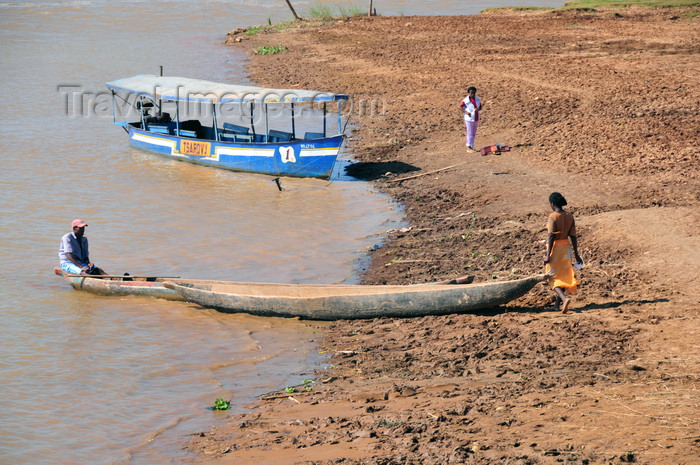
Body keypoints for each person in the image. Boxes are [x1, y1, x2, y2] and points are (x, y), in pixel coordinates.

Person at [543, 192, 582, 314]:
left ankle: (564, 299)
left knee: (552, 276)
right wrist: (576, 253)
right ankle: (557, 305)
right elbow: (573, 236)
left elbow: (550, 236)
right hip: (567, 248)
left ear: (552, 204)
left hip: (556, 249)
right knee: (564, 275)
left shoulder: (553, 216)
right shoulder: (569, 216)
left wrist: (548, 255)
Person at [459, 86, 482, 152]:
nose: (472, 95)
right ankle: (469, 147)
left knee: (474, 133)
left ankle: (471, 146)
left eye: (474, 93)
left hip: (476, 117)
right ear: (468, 93)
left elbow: (480, 107)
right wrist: (466, 112)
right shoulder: (466, 100)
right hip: (469, 118)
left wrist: (478, 109)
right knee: (470, 132)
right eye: (471, 93)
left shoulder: (477, 99)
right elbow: (459, 107)